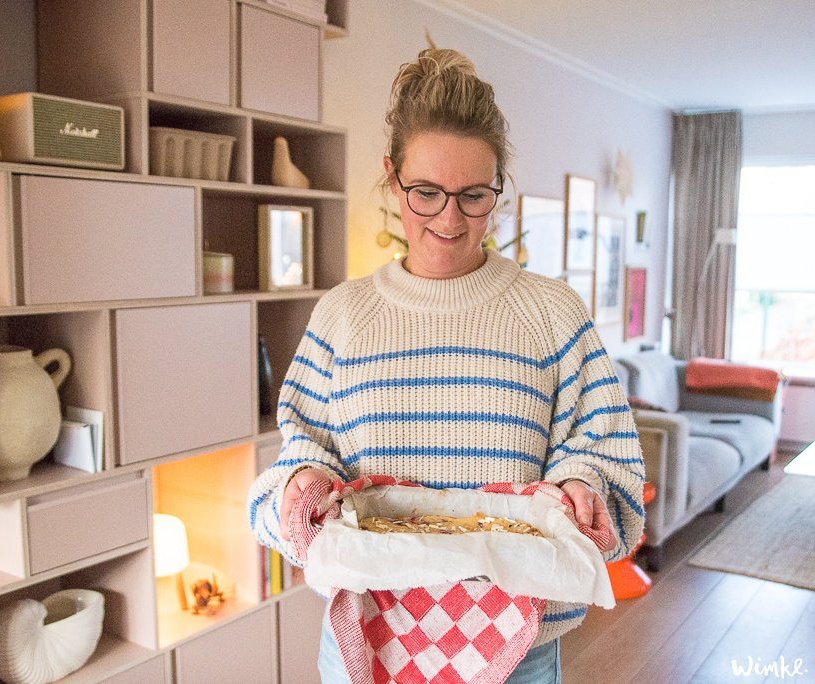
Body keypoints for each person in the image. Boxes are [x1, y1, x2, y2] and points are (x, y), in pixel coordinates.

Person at [247, 47, 645, 683]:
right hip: (365, 644)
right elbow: (296, 461)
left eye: (474, 195)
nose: (450, 220)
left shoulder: (551, 313)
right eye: (426, 192)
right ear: (391, 176)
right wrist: (301, 489)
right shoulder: (343, 317)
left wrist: (582, 488)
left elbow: (608, 460)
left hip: (515, 650)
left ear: (499, 189)